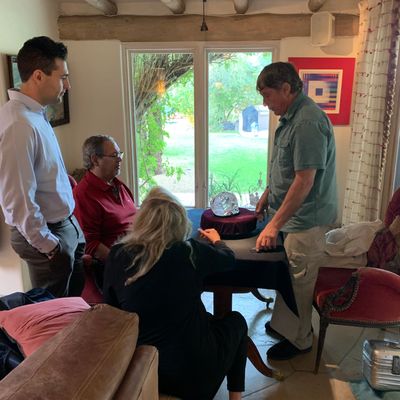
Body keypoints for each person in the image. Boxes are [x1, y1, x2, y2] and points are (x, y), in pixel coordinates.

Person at [103, 187, 247, 400]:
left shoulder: (117, 254)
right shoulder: (189, 252)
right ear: (179, 222)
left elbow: (113, 309)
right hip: (197, 377)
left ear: (141, 220)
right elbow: (228, 259)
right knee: (236, 321)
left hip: (147, 370)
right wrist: (217, 240)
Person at [254, 62, 337, 360]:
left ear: (286, 89)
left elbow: (304, 180)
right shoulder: (290, 117)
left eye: (267, 96)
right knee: (287, 276)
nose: (265, 104)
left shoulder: (306, 123)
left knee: (300, 283)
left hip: (306, 223)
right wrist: (267, 193)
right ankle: (286, 326)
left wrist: (273, 225)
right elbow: (286, 168)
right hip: (293, 217)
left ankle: (301, 340)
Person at [0, 36, 85, 298]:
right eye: (63, 77)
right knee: (55, 318)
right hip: (48, 234)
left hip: (64, 224)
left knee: (73, 306)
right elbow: (17, 199)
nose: (68, 85)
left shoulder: (35, 114)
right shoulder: (19, 124)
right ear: (38, 76)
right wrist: (49, 246)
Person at [73, 135, 137, 288]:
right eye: (114, 155)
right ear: (95, 160)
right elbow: (92, 244)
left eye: (120, 154)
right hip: (117, 265)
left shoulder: (118, 185)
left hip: (136, 252)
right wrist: (125, 264)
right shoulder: (84, 194)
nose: (120, 160)